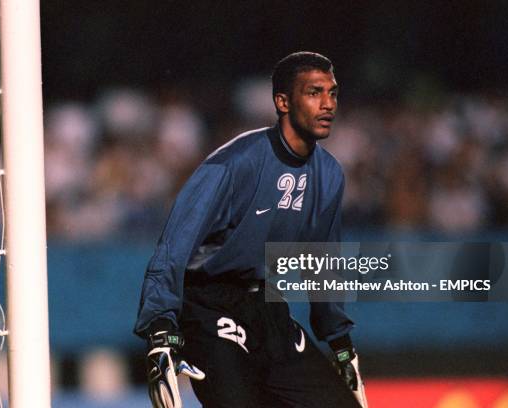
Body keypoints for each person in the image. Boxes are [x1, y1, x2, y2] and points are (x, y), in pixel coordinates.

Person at [135, 52, 367, 408]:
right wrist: (160, 329)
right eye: (314, 92)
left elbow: (321, 263)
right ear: (283, 101)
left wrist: (339, 342)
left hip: (267, 307)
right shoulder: (234, 163)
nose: (327, 104)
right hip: (208, 308)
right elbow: (173, 246)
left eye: (332, 93)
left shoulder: (330, 174)